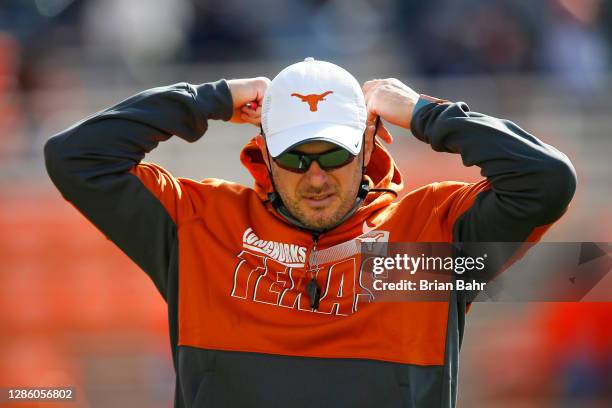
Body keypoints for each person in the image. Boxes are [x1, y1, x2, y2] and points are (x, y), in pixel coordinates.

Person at [44, 58, 576, 407]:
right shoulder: (198, 222)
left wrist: (426, 114)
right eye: (295, 157)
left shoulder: (434, 232)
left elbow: (546, 181)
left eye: (335, 155)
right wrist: (209, 99)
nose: (316, 177)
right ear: (264, 153)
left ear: (369, 145)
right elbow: (75, 158)